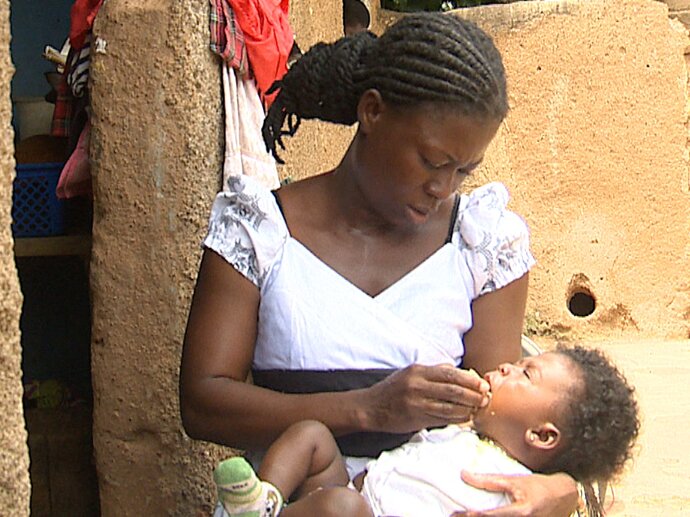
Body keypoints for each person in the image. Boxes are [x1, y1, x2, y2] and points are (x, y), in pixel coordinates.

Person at [180, 12, 579, 516]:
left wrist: (560, 486)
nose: (444, 188)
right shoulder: (261, 232)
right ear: (372, 112)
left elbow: (502, 423)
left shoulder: (482, 245)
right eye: (432, 161)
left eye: (464, 170)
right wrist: (368, 407)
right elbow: (201, 403)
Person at [212, 346, 640, 517]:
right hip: (350, 491)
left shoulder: (518, 495)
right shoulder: (460, 432)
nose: (507, 366)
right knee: (312, 435)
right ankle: (265, 500)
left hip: (355, 511)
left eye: (526, 374)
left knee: (342, 508)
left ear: (542, 436)